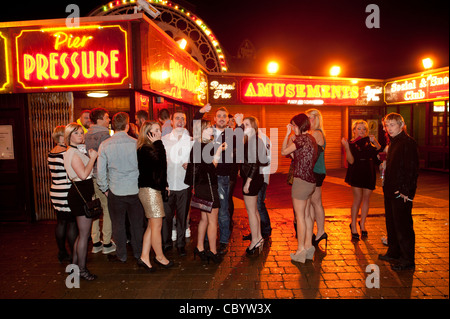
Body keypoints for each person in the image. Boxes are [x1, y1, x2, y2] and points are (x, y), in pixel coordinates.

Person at [97, 112, 145, 263]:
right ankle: (139, 253)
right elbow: (143, 168)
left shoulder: (105, 145)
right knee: (137, 224)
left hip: (115, 190)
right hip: (134, 190)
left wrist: (105, 188)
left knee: (118, 224)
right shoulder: (136, 143)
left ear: (113, 126)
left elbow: (100, 171)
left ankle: (121, 254)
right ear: (127, 126)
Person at [379, 113, 419, 271]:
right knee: (392, 223)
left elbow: (412, 168)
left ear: (401, 125)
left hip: (401, 192)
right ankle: (394, 252)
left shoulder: (407, 143)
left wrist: (406, 191)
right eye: (387, 125)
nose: (389, 128)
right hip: (390, 189)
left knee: (403, 226)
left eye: (392, 125)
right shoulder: (393, 141)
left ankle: (407, 259)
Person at [185, 118, 227, 263]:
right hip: (209, 187)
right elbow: (211, 168)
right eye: (209, 127)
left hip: (200, 187)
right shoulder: (206, 146)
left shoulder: (197, 145)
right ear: (202, 130)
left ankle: (199, 247)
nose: (212, 130)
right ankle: (213, 252)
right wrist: (218, 152)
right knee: (212, 221)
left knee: (204, 219)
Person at [136, 121, 173, 271]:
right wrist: (158, 143)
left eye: (159, 130)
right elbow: (160, 163)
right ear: (148, 133)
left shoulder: (150, 148)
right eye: (156, 130)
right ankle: (159, 256)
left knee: (153, 225)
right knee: (156, 225)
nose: (159, 132)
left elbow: (160, 170)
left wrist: (165, 185)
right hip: (149, 191)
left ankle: (144, 257)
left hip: (153, 189)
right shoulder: (145, 148)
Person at [63, 123, 98, 280]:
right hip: (80, 194)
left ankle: (76, 267)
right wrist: (92, 158)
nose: (80, 135)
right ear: (69, 136)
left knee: (80, 234)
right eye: (76, 133)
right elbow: (83, 174)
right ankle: (82, 270)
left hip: (80, 193)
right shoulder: (72, 153)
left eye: (81, 133)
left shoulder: (74, 151)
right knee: (84, 235)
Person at [281, 113, 318, 263]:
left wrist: (286, 135)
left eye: (293, 125)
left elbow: (284, 151)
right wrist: (291, 138)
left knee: (300, 217)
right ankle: (309, 247)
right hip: (311, 182)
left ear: (298, 125)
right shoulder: (311, 139)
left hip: (301, 182)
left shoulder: (300, 139)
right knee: (308, 215)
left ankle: (300, 250)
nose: (293, 128)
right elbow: (295, 157)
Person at [341, 120, 381, 240]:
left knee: (367, 199)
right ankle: (353, 224)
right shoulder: (351, 143)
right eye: (359, 129)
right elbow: (351, 161)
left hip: (369, 171)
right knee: (357, 199)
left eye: (364, 129)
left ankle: (362, 223)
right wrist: (347, 147)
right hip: (356, 171)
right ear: (354, 130)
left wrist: (376, 142)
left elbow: (379, 154)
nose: (362, 131)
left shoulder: (369, 142)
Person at [84, 108, 115, 255]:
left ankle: (95, 241)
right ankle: (107, 242)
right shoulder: (104, 134)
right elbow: (107, 158)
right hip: (102, 176)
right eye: (107, 117)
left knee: (94, 208)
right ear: (100, 119)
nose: (109, 120)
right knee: (107, 208)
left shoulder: (86, 134)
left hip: (89, 176)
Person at [161, 111, 193, 256]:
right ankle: (166, 243)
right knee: (166, 217)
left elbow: (199, 163)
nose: (180, 120)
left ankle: (180, 244)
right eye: (177, 118)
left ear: (185, 122)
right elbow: (159, 163)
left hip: (184, 185)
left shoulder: (191, 141)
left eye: (183, 118)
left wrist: (191, 164)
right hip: (168, 186)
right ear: (172, 121)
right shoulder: (164, 140)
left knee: (182, 217)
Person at [48, 125, 78, 263]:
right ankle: (74, 254)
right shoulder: (65, 153)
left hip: (55, 190)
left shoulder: (51, 152)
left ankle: (61, 252)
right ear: (61, 137)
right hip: (66, 190)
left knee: (60, 223)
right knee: (72, 224)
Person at [240, 116, 269, 256]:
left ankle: (255, 240)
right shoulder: (252, 140)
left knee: (251, 211)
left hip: (252, 179)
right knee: (255, 210)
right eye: (243, 124)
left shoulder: (254, 141)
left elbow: (255, 163)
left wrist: (248, 181)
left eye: (247, 124)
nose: (244, 127)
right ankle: (258, 237)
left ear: (254, 127)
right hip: (256, 178)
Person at [305, 109, 327, 247]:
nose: (308, 120)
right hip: (314, 171)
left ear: (317, 118)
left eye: (310, 118)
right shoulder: (313, 133)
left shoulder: (317, 133)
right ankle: (314, 232)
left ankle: (321, 232)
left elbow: (311, 154)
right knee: (313, 202)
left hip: (316, 171)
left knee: (316, 202)